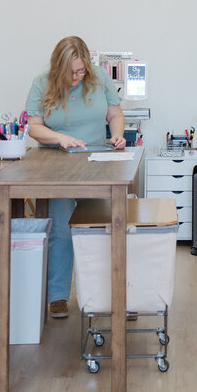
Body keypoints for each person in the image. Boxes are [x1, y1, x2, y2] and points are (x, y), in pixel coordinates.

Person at [25, 36, 125, 318]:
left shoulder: (100, 78)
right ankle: (58, 295)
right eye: (72, 72)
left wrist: (117, 133)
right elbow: (34, 127)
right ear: (59, 68)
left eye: (81, 71)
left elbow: (115, 114)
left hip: (95, 160)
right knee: (60, 229)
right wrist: (60, 138)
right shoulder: (41, 83)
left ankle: (109, 292)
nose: (77, 76)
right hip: (56, 163)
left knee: (103, 227)